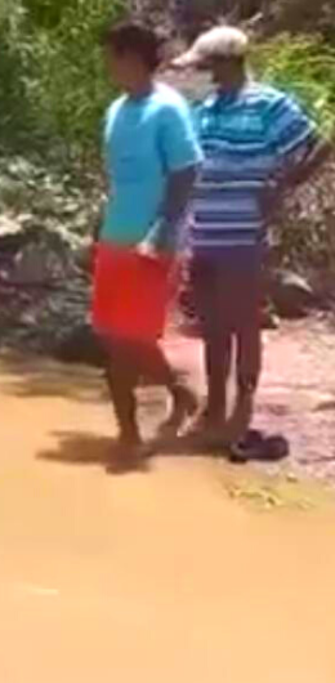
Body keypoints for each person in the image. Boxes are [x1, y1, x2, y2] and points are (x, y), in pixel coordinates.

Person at [172, 26, 331, 444]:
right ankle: (214, 407)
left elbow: (318, 145)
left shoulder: (268, 105)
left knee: (243, 323)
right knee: (213, 326)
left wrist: (284, 184)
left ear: (228, 64)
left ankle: (242, 407)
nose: (203, 74)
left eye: (208, 66)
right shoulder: (205, 109)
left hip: (244, 233)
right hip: (203, 233)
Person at [92, 21, 203, 462]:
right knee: (115, 336)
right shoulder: (116, 110)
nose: (108, 66)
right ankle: (179, 392)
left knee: (127, 340)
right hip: (115, 238)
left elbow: (186, 172)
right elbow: (117, 179)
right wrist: (98, 230)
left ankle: (129, 437)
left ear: (134, 58)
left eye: (112, 57)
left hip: (153, 243)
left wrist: (162, 231)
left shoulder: (168, 109)